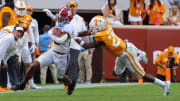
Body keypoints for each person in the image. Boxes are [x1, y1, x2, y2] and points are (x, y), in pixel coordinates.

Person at [76, 15, 170, 96]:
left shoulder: (101, 36)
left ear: (100, 28)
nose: (92, 29)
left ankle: (163, 84)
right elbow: (89, 32)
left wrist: (75, 38)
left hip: (127, 53)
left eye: (94, 28)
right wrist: (76, 34)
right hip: (122, 52)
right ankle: (138, 58)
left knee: (141, 75)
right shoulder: (106, 27)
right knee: (117, 72)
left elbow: (87, 45)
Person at [12, 7, 75, 94]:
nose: (58, 18)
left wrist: (50, 33)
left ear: (67, 19)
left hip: (62, 56)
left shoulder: (69, 27)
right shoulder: (60, 21)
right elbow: (55, 19)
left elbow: (60, 40)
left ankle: (70, 84)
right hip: (52, 52)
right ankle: (22, 84)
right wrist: (50, 14)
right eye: (58, 16)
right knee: (33, 65)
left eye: (61, 17)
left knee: (60, 78)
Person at [14, 0, 39, 89]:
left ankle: (31, 83)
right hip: (15, 43)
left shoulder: (27, 18)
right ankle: (13, 82)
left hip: (24, 43)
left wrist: (33, 43)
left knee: (28, 64)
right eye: (19, 9)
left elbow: (30, 31)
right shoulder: (12, 17)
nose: (21, 10)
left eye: (22, 9)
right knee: (15, 64)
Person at [0, 22, 27, 92]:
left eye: (21, 32)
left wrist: (4, 62)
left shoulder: (19, 42)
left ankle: (4, 86)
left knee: (4, 67)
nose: (19, 33)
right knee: (2, 67)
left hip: (3, 55)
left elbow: (9, 53)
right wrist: (1, 61)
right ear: (14, 31)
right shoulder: (8, 38)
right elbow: (1, 50)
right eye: (18, 31)